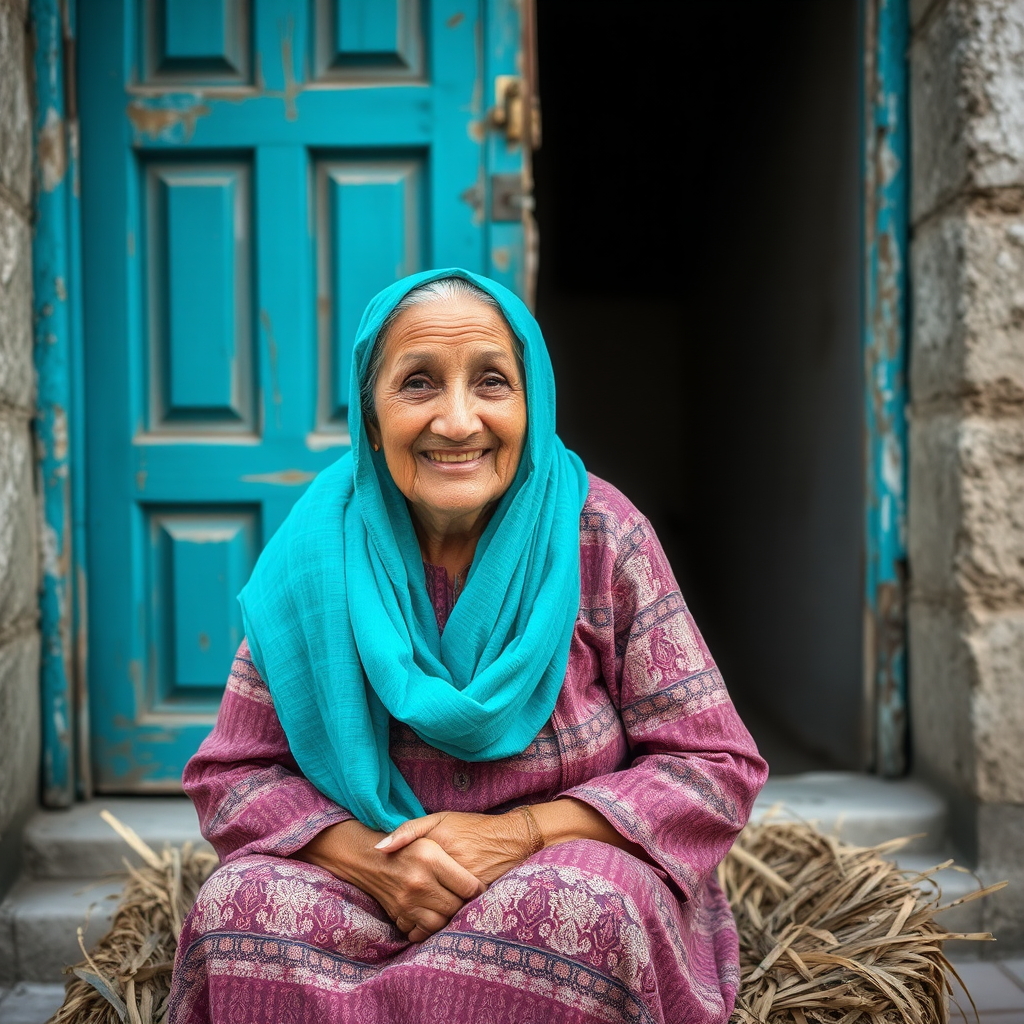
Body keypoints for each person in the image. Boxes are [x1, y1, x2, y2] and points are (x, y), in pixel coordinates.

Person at [168, 269, 768, 1024]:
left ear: (532, 400)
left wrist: (515, 837)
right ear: (370, 414)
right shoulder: (317, 552)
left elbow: (714, 766)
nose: (458, 422)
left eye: (491, 382)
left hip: (550, 872)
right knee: (237, 911)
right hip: (371, 885)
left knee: (579, 916)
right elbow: (233, 774)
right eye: (418, 384)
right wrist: (375, 864)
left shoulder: (601, 536)